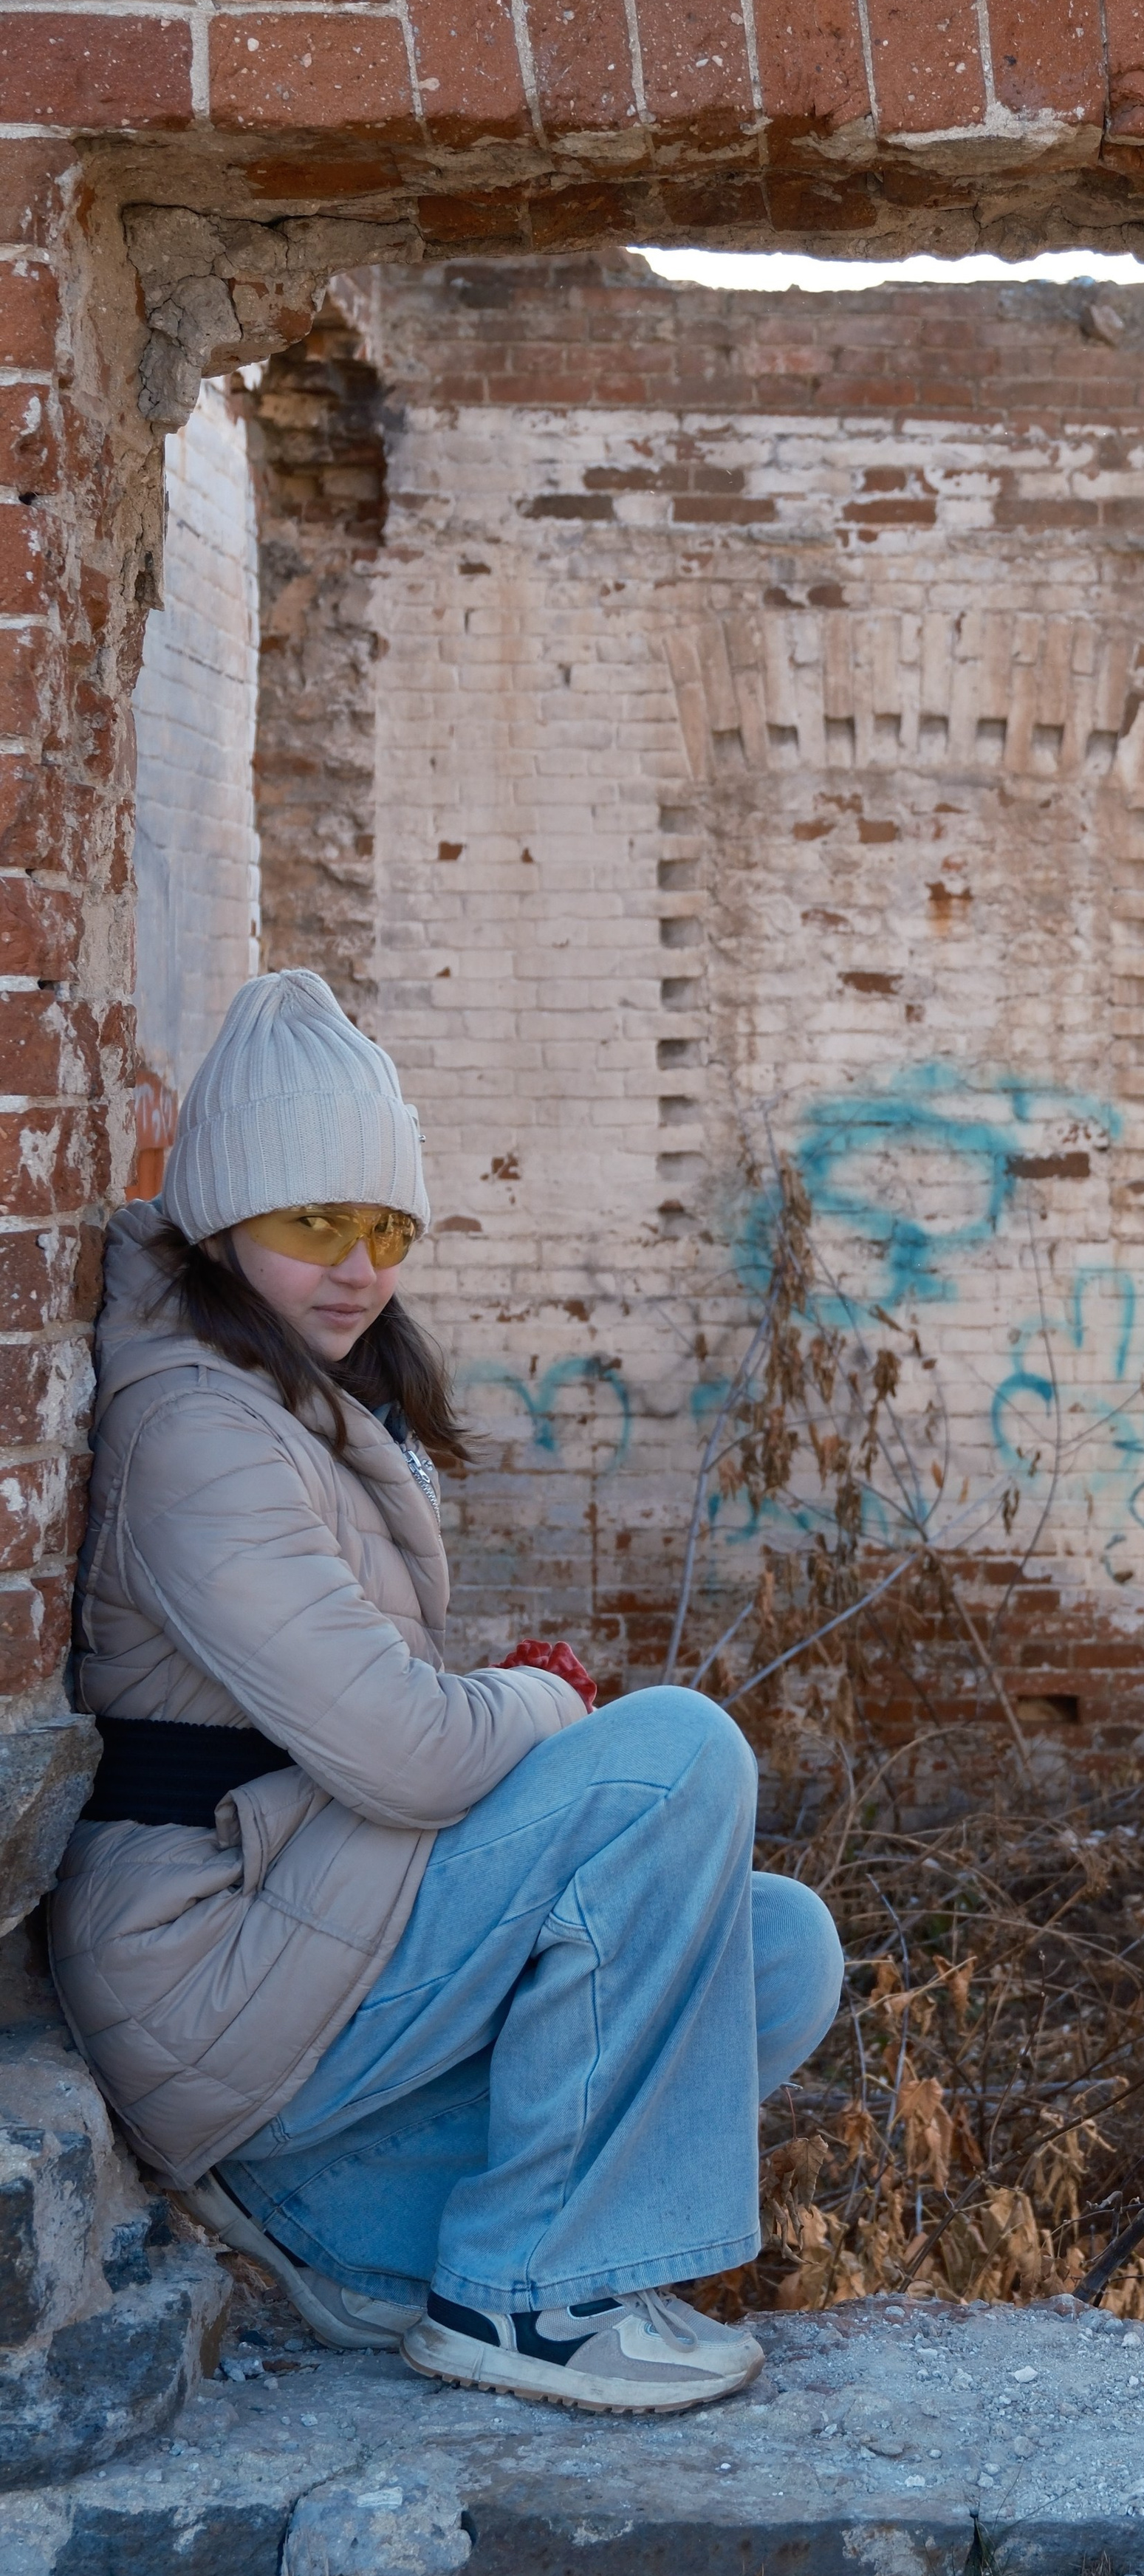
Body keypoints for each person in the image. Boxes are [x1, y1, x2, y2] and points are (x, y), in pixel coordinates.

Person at [51, 969, 842, 2415]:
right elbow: (410, 1754)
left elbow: (372, 1720)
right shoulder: (194, 1431)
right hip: (212, 1960)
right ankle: (524, 2302)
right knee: (672, 1755)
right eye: (314, 1225)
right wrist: (541, 1698)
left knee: (775, 1950)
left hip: (308, 1928)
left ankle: (354, 2237)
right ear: (225, 1219)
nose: (359, 1265)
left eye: (387, 1229)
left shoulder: (293, 1394)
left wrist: (510, 1705)